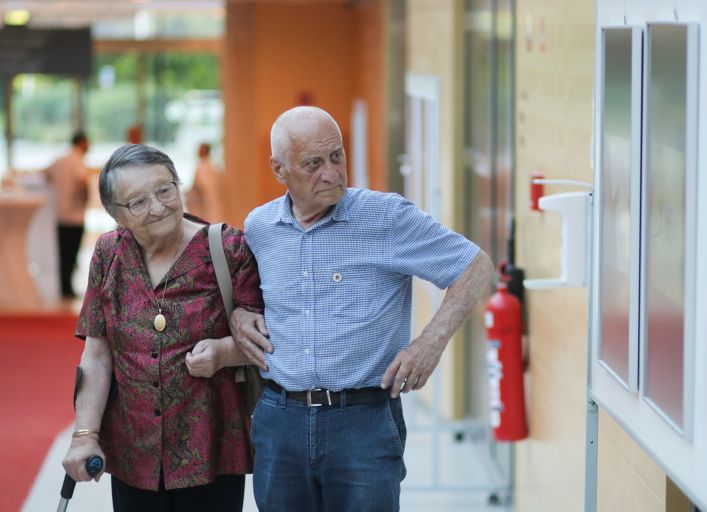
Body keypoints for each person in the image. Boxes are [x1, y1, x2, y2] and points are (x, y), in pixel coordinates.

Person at [230, 106, 494, 511]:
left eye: (337, 156)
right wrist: (238, 313)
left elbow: (475, 268)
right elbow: (247, 297)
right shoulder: (260, 228)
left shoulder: (385, 217)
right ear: (279, 170)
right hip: (280, 420)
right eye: (313, 164)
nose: (332, 173)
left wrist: (429, 345)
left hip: (364, 423)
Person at [61, 143, 263, 512]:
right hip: (132, 451)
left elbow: (266, 338)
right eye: (137, 202)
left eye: (164, 190)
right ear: (115, 213)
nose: (157, 207)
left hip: (211, 452)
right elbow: (97, 353)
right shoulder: (108, 255)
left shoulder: (228, 249)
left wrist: (223, 354)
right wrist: (85, 435)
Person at [45, 131, 90, 298]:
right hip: (75, 215)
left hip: (60, 214)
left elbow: (46, 174)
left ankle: (64, 287)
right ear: (82, 143)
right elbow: (82, 181)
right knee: (71, 253)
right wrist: (86, 200)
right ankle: (67, 288)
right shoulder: (77, 160)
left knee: (63, 254)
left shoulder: (59, 160)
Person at [186, 142, 224, 222]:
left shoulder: (203, 166)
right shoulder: (212, 165)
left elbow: (198, 184)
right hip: (210, 199)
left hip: (205, 199)